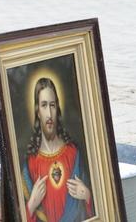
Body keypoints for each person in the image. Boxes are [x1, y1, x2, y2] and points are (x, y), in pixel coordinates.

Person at [22, 76, 93, 222]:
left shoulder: (73, 152)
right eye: (43, 105)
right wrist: (32, 204)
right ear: (37, 111)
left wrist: (87, 195)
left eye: (52, 105)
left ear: (57, 109)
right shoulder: (30, 162)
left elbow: (97, 210)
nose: (49, 113)